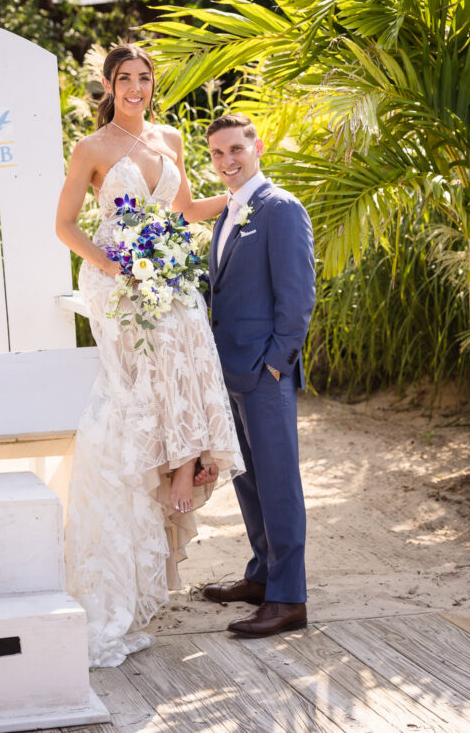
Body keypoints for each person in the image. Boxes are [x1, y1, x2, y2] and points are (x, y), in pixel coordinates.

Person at [55, 44, 245, 667]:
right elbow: (65, 225)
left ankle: (186, 464)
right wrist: (110, 261)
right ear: (108, 86)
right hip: (118, 278)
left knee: (193, 346)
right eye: (125, 79)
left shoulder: (169, 137)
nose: (135, 88)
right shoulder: (93, 148)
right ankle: (169, 472)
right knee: (149, 372)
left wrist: (246, 194)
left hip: (168, 273)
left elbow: (185, 210)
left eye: (144, 79)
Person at [200, 113, 315, 637]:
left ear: (257, 147)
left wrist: (275, 364)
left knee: (279, 484)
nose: (228, 160)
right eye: (218, 153)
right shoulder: (229, 212)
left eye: (236, 150)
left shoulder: (280, 209)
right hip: (229, 371)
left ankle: (289, 600)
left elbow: (297, 299)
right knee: (248, 481)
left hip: (264, 374)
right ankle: (264, 576)